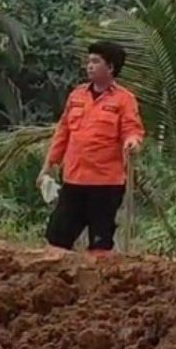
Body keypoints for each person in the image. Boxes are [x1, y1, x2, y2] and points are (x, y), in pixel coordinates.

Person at [37, 42, 145, 255]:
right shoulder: (77, 96)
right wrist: (48, 166)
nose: (89, 66)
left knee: (100, 246)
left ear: (111, 68)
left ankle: (97, 286)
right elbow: (63, 133)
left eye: (96, 62)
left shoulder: (124, 100)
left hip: (106, 185)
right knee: (56, 241)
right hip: (74, 181)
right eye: (89, 61)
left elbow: (132, 129)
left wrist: (133, 142)